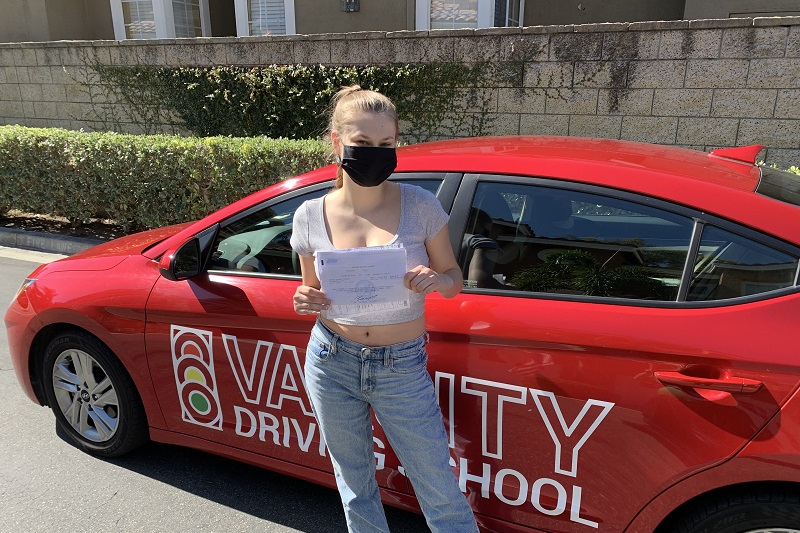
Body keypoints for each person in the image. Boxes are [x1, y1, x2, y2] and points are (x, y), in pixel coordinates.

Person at [290, 85, 478, 533]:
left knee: (439, 489)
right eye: (363, 144)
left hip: (401, 365)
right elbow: (309, 289)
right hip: (330, 359)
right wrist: (302, 299)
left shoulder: (421, 206)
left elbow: (455, 279)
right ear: (337, 142)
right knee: (354, 484)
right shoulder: (309, 215)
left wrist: (437, 280)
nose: (375, 154)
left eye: (385, 144)